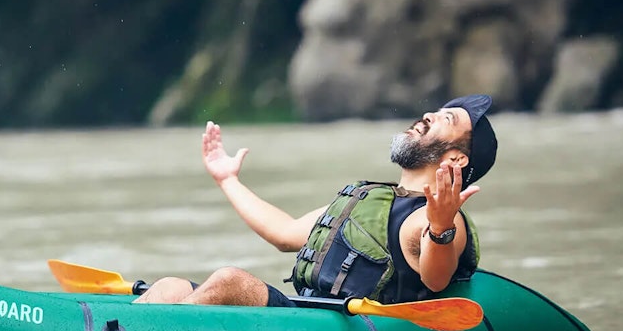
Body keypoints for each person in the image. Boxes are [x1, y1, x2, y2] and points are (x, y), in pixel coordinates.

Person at [134, 94, 498, 307]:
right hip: (306, 313)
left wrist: (441, 227)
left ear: (456, 158)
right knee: (171, 286)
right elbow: (285, 233)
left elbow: (436, 280)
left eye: (445, 118)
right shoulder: (370, 200)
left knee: (231, 280)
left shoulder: (440, 221)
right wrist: (228, 180)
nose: (429, 115)